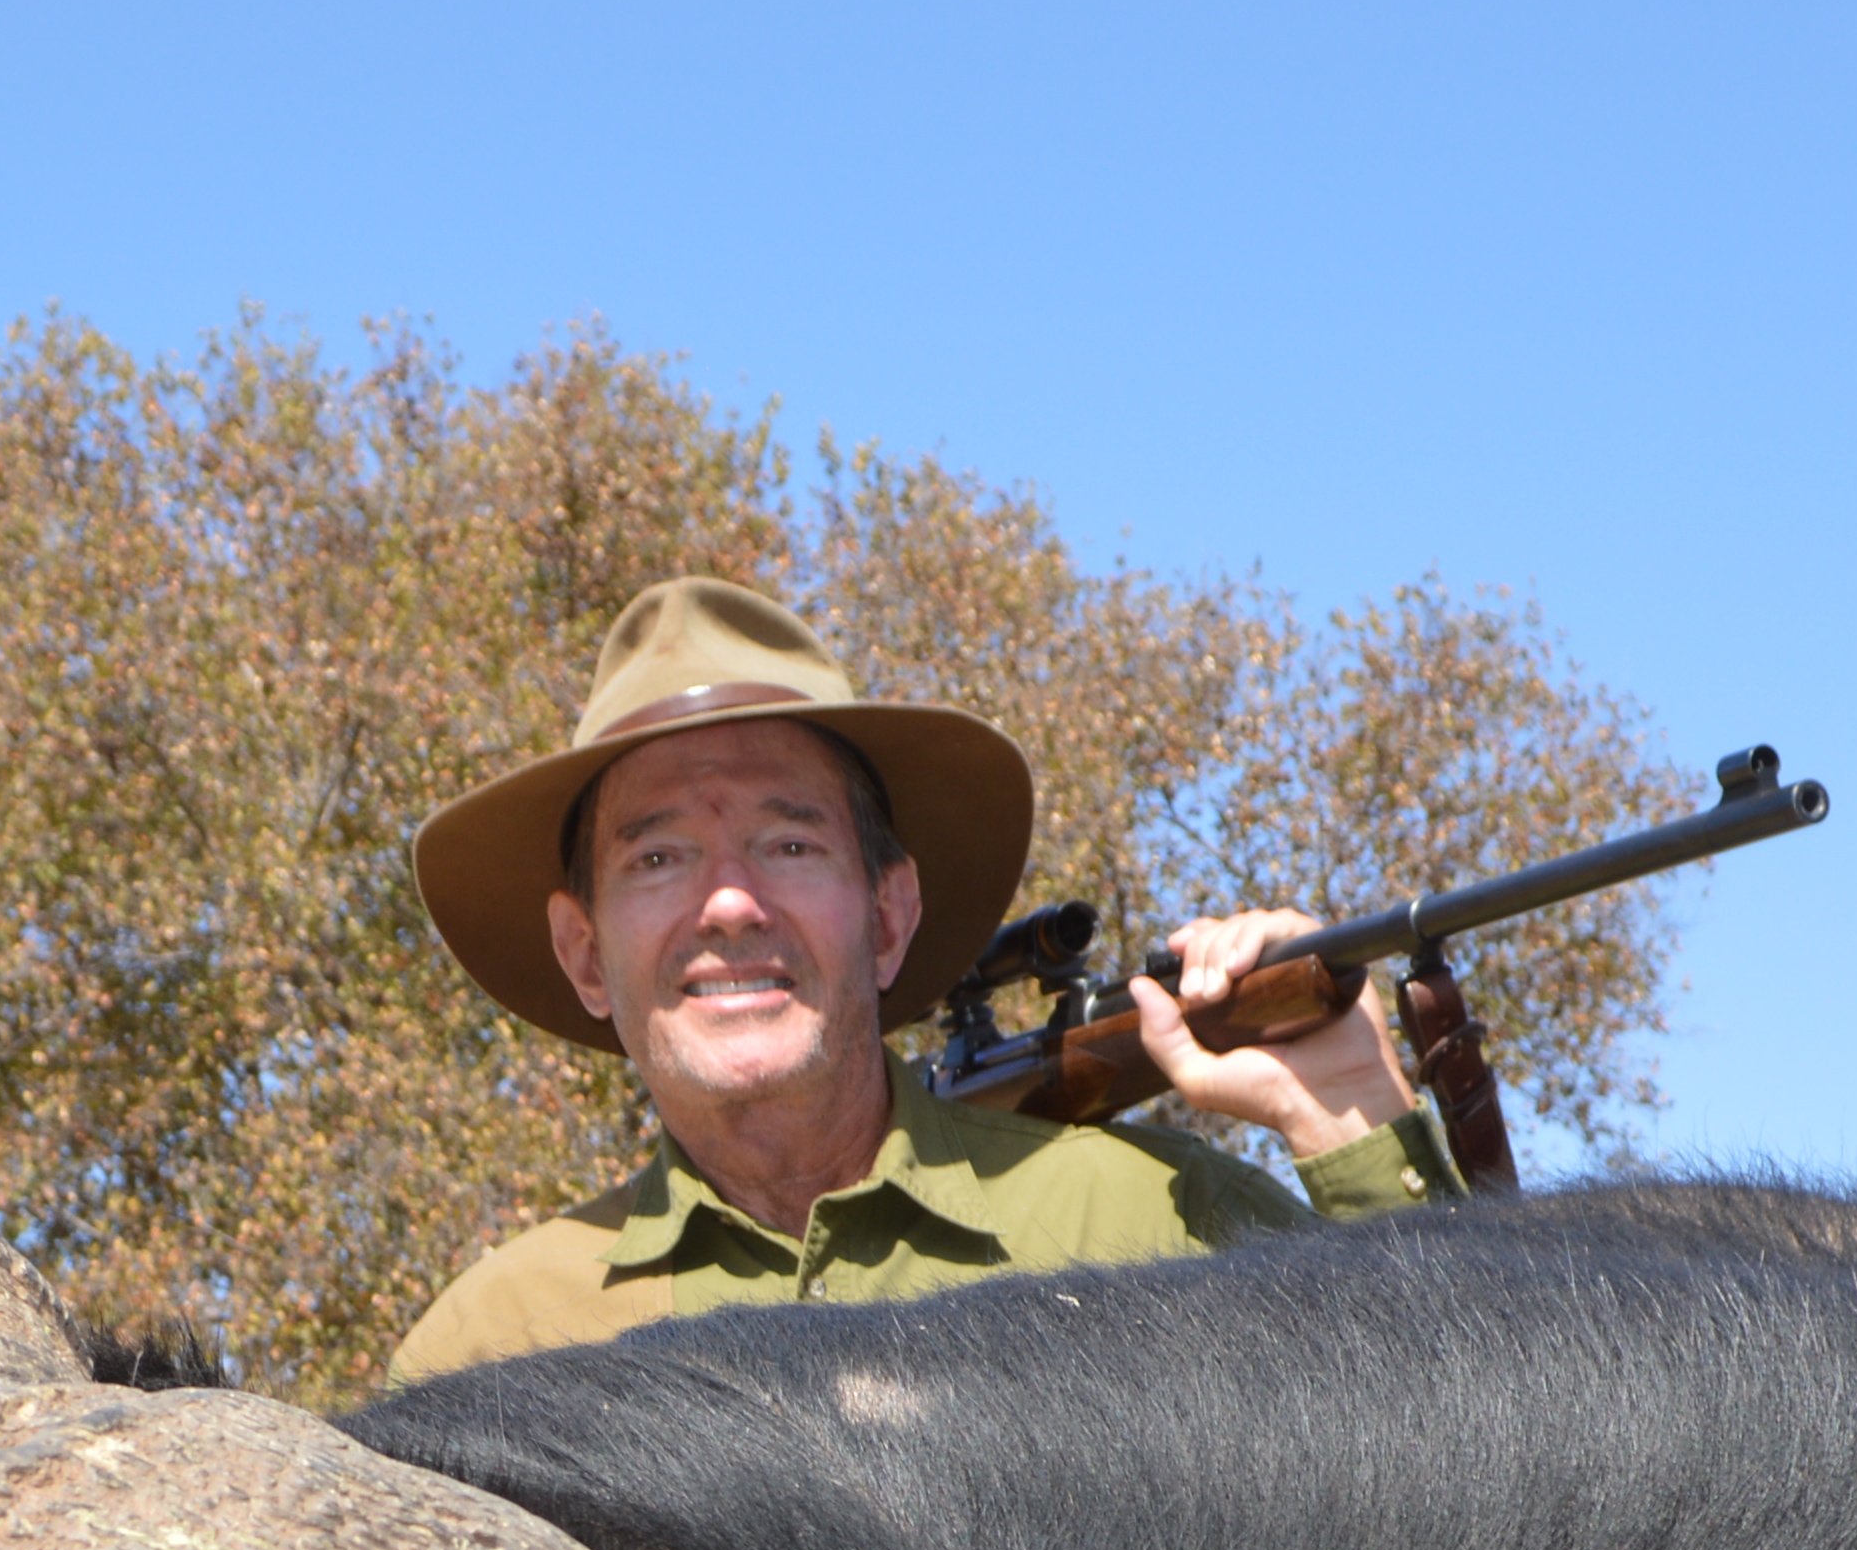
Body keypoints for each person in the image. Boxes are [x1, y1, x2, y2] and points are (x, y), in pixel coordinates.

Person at [386, 577, 1457, 1385]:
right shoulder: (491, 1348)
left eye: (790, 845)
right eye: (657, 859)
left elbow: (1482, 1490)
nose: (728, 902)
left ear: (890, 916)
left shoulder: (1157, 1227)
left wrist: (1352, 1114)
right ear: (585, 954)